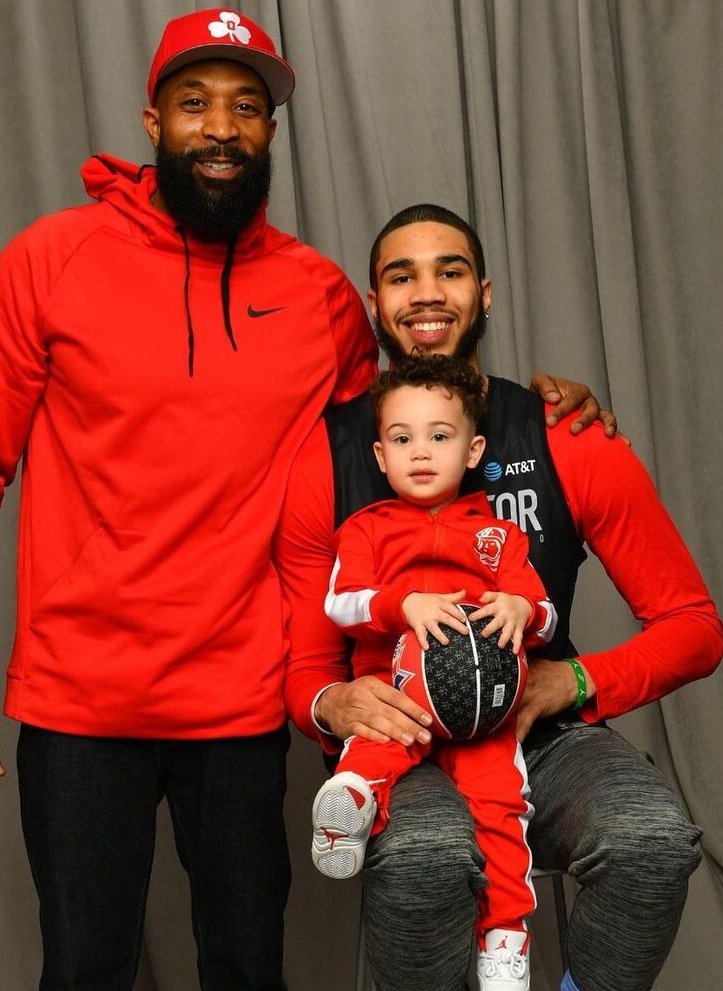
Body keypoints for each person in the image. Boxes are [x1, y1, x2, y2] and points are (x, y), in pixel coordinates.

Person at [0, 10, 381, 990]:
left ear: (270, 133)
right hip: (79, 702)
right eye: (196, 103)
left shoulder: (326, 301)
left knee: (249, 967)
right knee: (86, 969)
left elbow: (389, 465)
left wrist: (528, 411)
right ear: (152, 121)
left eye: (247, 108)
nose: (222, 127)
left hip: (244, 703)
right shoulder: (48, 261)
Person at [275, 204, 723, 991]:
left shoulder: (565, 432)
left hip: (540, 735)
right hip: (399, 742)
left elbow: (694, 626)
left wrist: (572, 681)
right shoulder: (328, 455)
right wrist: (337, 705)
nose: (426, 293)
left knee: (652, 838)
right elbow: (307, 669)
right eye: (400, 276)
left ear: (484, 294)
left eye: (449, 271)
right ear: (374, 304)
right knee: (426, 856)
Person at [313, 355, 558, 990]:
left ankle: (505, 939)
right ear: (380, 455)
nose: (420, 452)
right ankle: (350, 810)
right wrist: (403, 603)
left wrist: (521, 607)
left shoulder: (500, 537)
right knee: (371, 750)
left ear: (473, 449)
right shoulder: (364, 529)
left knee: (502, 812)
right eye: (402, 439)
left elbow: (548, 616)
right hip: (399, 696)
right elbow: (340, 604)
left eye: (439, 436)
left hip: (483, 712)